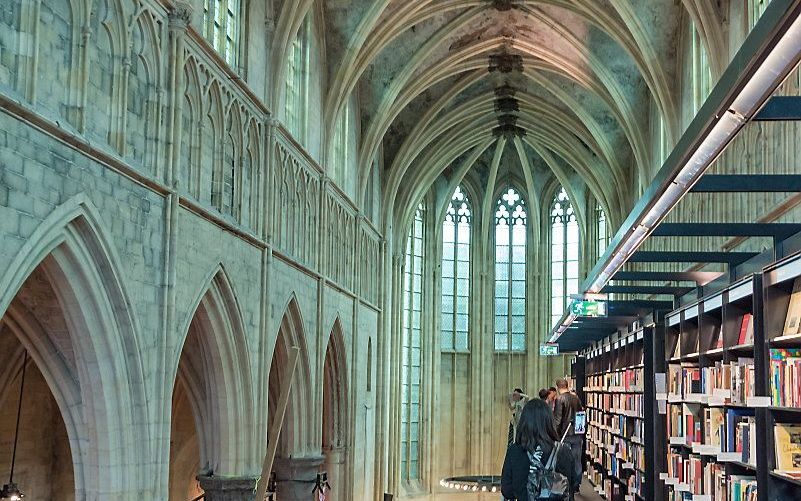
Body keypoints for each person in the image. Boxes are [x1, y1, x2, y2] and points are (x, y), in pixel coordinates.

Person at [501, 399, 578, 500]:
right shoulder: (564, 451)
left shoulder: (515, 451)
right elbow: (572, 484)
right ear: (550, 421)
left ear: (523, 421)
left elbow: (507, 491)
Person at [552, 378, 584, 492]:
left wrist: (555, 434)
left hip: (565, 435)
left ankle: (566, 483)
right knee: (576, 459)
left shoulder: (560, 399)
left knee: (564, 460)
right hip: (577, 433)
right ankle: (576, 484)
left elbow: (558, 419)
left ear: (557, 387)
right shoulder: (576, 398)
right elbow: (581, 415)